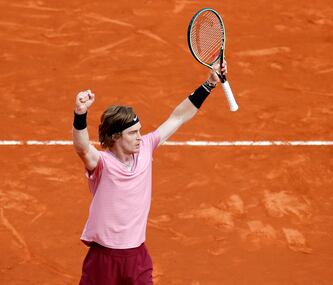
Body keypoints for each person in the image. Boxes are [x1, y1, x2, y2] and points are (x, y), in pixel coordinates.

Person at [72, 60, 227, 285]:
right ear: (115, 137)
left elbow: (178, 117)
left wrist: (209, 84)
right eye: (133, 133)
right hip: (103, 259)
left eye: (139, 131)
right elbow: (82, 147)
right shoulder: (102, 163)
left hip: (137, 256)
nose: (139, 137)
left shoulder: (146, 147)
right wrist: (80, 114)